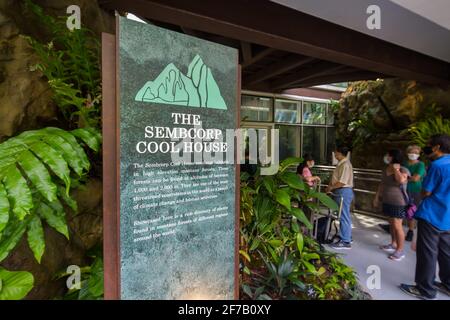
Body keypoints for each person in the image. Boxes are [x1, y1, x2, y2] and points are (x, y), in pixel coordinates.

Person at [400, 134, 450, 300]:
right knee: (446, 252)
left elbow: (426, 191)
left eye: (430, 145)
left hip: (432, 215)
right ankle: (448, 284)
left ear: (437, 147)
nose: (427, 148)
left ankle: (425, 289)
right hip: (447, 217)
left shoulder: (437, 165)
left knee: (427, 253)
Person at [373, 149, 410, 261]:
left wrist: (396, 169)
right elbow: (382, 184)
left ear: (393, 157)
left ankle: (400, 250)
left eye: (388, 155)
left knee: (398, 225)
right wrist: (377, 197)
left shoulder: (403, 169)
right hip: (387, 200)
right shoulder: (385, 169)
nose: (386, 157)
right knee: (391, 223)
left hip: (398, 202)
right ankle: (393, 243)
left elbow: (401, 181)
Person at [326, 146, 354, 249]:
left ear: (340, 153)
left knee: (343, 215)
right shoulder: (342, 163)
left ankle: (345, 241)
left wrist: (330, 188)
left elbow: (342, 182)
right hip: (341, 192)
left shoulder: (345, 164)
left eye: (336, 152)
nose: (334, 154)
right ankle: (346, 236)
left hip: (343, 192)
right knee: (343, 214)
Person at [403, 145, 426, 241]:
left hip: (415, 191)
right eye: (412, 152)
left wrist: (405, 178)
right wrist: (409, 177)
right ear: (407, 153)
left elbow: (416, 178)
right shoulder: (404, 163)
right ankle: (397, 227)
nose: (414, 154)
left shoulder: (420, 164)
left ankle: (411, 231)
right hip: (402, 190)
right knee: (401, 209)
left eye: (416, 153)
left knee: (411, 211)